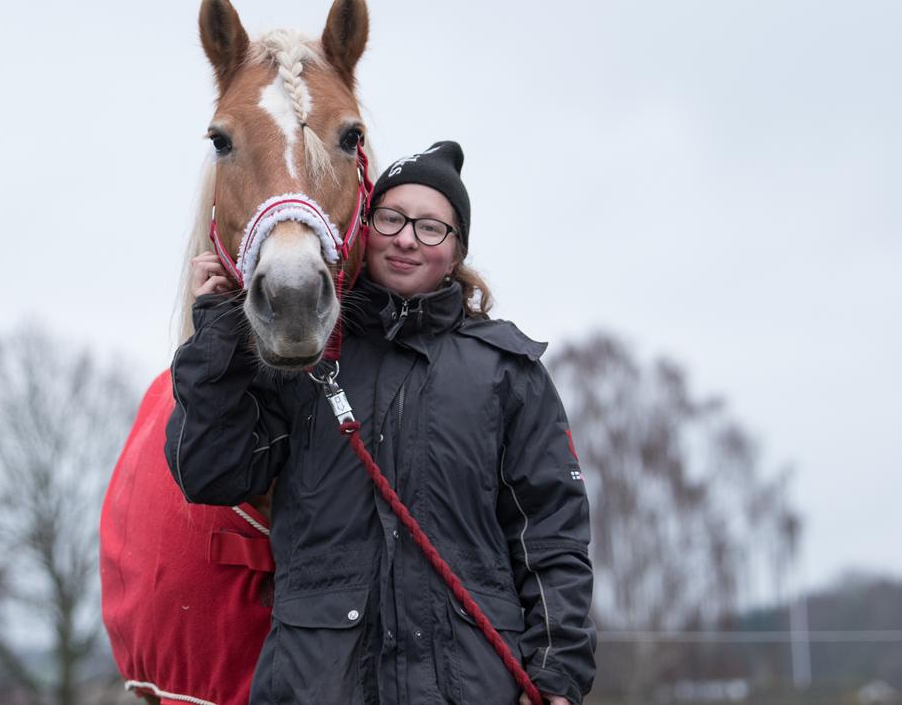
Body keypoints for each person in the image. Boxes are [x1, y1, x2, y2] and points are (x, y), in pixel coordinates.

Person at [166, 141, 595, 705]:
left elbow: (551, 535)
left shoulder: (508, 373)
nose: (407, 238)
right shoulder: (302, 356)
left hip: (468, 686)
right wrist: (219, 328)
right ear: (362, 229)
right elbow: (210, 472)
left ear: (458, 248)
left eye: (431, 227)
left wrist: (556, 674)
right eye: (390, 218)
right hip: (317, 685)